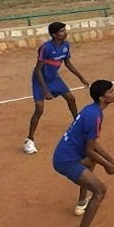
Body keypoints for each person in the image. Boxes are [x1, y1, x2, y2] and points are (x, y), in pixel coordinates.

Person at [52, 79, 114, 227]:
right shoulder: (95, 115)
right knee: (100, 191)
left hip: (64, 154)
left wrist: (109, 158)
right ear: (103, 98)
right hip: (67, 160)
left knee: (91, 161)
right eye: (111, 91)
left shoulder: (92, 110)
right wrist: (107, 166)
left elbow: (92, 145)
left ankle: (81, 203)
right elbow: (89, 149)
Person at [24, 21, 90, 155]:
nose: (65, 33)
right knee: (39, 109)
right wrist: (45, 91)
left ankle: (77, 124)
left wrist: (81, 78)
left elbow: (68, 63)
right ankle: (29, 140)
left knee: (71, 98)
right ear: (54, 34)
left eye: (64, 30)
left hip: (54, 79)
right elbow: (37, 70)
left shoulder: (66, 45)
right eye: (61, 31)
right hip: (40, 80)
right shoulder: (46, 48)